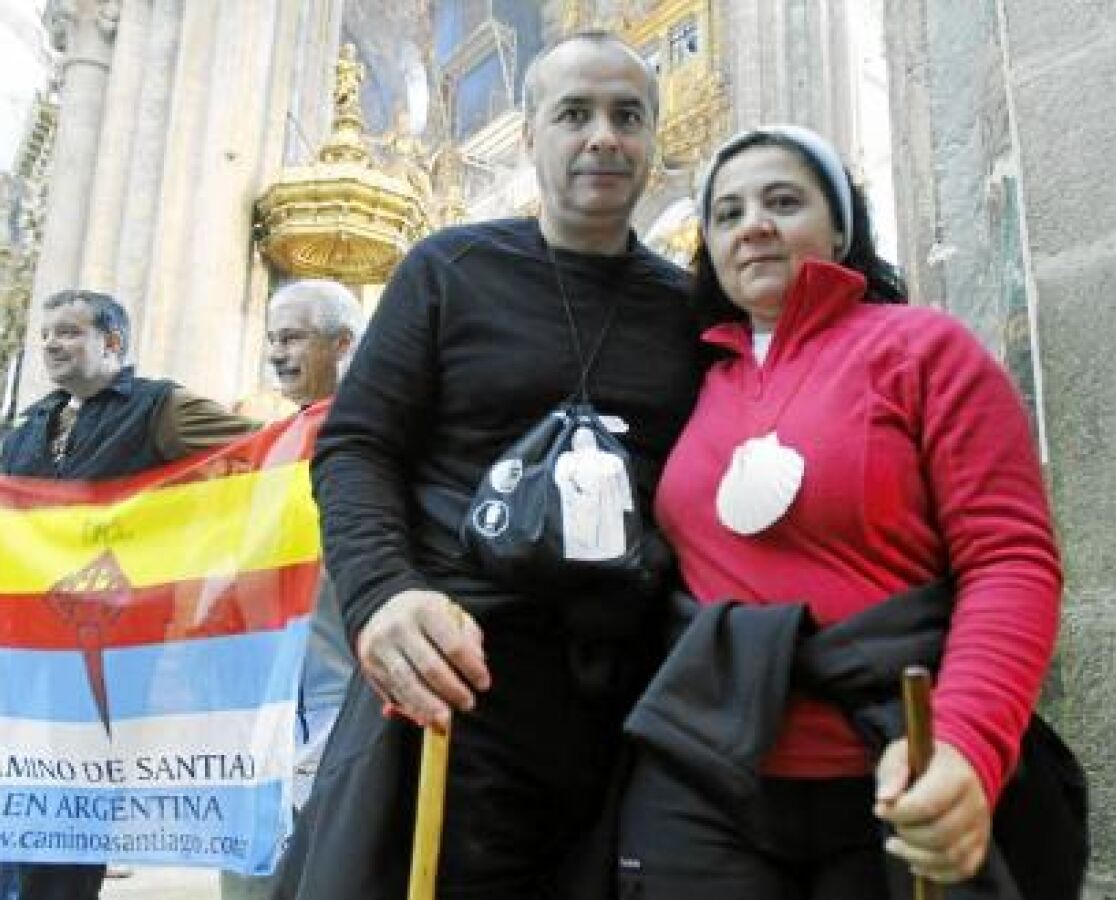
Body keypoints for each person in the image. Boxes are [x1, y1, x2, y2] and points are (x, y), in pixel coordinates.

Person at [279, 30, 702, 899]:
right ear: (532, 130)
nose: (603, 137)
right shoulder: (449, 271)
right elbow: (358, 446)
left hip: (619, 705)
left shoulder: (689, 309)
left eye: (628, 116)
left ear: (653, 138)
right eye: (574, 114)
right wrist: (381, 595)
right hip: (452, 675)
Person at [614, 125, 1066, 899]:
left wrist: (965, 742)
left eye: (783, 201)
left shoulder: (925, 349)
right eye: (727, 213)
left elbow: (1009, 559)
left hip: (882, 764)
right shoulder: (693, 380)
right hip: (705, 771)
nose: (753, 224)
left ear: (841, 228)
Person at [0, 289, 255, 900]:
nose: (51, 344)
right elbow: (0, 505)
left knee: (76, 791)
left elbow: (262, 450)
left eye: (68, 332)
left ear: (112, 342)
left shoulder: (161, 408)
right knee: (22, 781)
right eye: (46, 333)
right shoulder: (31, 424)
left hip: (109, 642)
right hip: (28, 640)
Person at [219, 279, 362, 900]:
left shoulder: (370, 429)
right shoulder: (275, 438)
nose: (277, 354)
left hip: (336, 682)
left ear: (343, 343)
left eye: (294, 338)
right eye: (273, 339)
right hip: (266, 685)